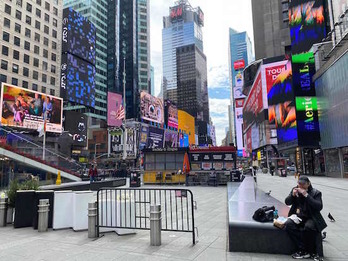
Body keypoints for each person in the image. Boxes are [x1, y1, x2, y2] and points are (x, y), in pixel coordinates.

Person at [284, 176, 327, 261]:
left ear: (308, 184)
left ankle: (310, 251)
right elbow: (287, 202)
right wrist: (292, 195)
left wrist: (306, 195)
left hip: (311, 217)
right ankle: (303, 249)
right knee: (288, 224)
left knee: (308, 227)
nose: (301, 186)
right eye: (299, 184)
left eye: (303, 184)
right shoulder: (295, 189)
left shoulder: (316, 193)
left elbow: (318, 206)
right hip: (298, 216)